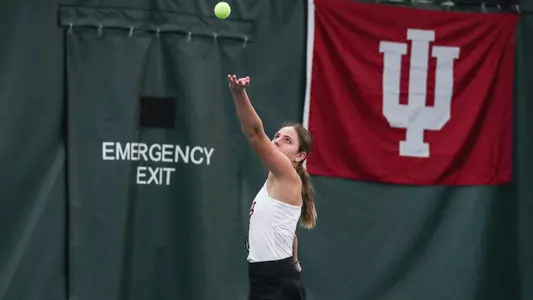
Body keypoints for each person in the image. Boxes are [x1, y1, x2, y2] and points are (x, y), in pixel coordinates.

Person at [227, 74, 318, 300]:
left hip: (277, 284)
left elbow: (255, 134)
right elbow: (290, 233)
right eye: (277, 136)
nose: (276, 140)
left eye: (287, 140)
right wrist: (295, 263)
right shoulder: (276, 182)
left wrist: (239, 94)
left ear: (300, 156)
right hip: (267, 280)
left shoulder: (288, 175)